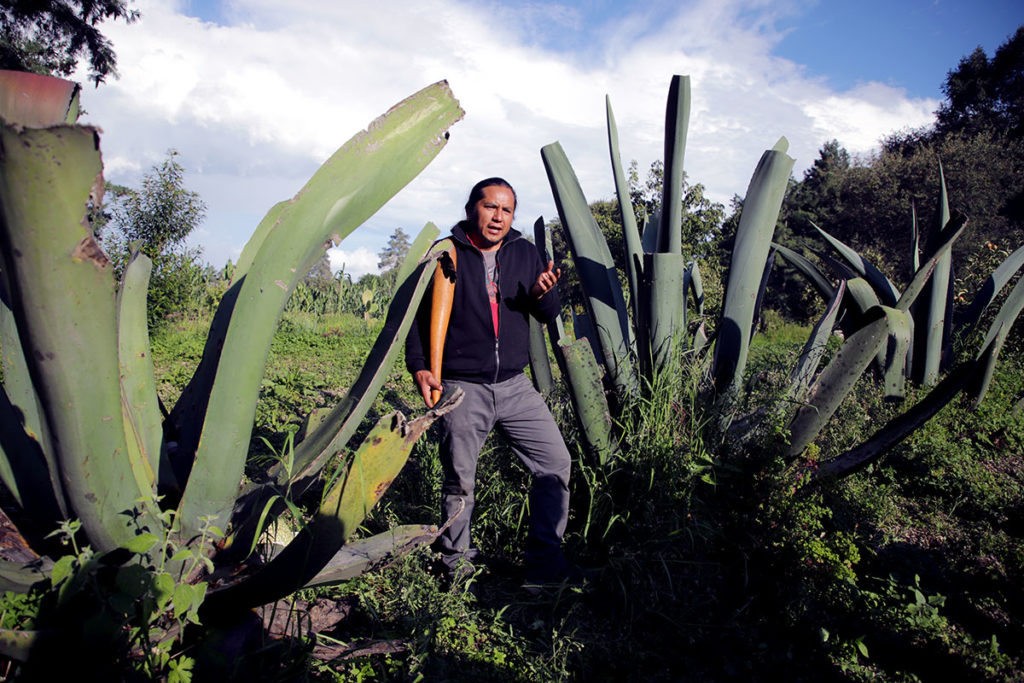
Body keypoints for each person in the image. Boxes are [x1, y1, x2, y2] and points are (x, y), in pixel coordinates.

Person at [405, 177, 578, 587]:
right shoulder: (446, 254)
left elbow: (548, 313)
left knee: (555, 463)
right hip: (462, 386)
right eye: (490, 207)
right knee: (460, 479)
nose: (499, 216)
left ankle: (544, 565)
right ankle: (456, 568)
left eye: (507, 210)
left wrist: (541, 293)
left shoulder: (524, 252)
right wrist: (420, 367)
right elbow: (416, 319)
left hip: (515, 385)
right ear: (471, 209)